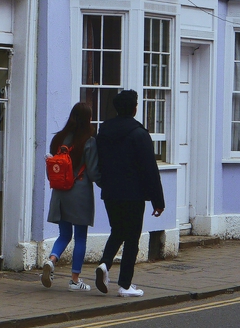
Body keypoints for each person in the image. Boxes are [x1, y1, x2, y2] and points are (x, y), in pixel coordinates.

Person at [94, 89, 165, 298]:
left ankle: (105, 265)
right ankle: (125, 284)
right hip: (133, 194)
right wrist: (158, 201)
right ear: (134, 108)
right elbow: (149, 169)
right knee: (132, 238)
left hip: (110, 192)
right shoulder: (139, 134)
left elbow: (99, 162)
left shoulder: (104, 131)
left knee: (117, 230)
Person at [42, 102, 101, 292]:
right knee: (80, 237)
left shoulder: (58, 139)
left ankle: (52, 260)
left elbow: (52, 170)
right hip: (80, 191)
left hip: (60, 192)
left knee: (64, 234)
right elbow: (92, 171)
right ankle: (75, 280)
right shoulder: (89, 140)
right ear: (88, 119)